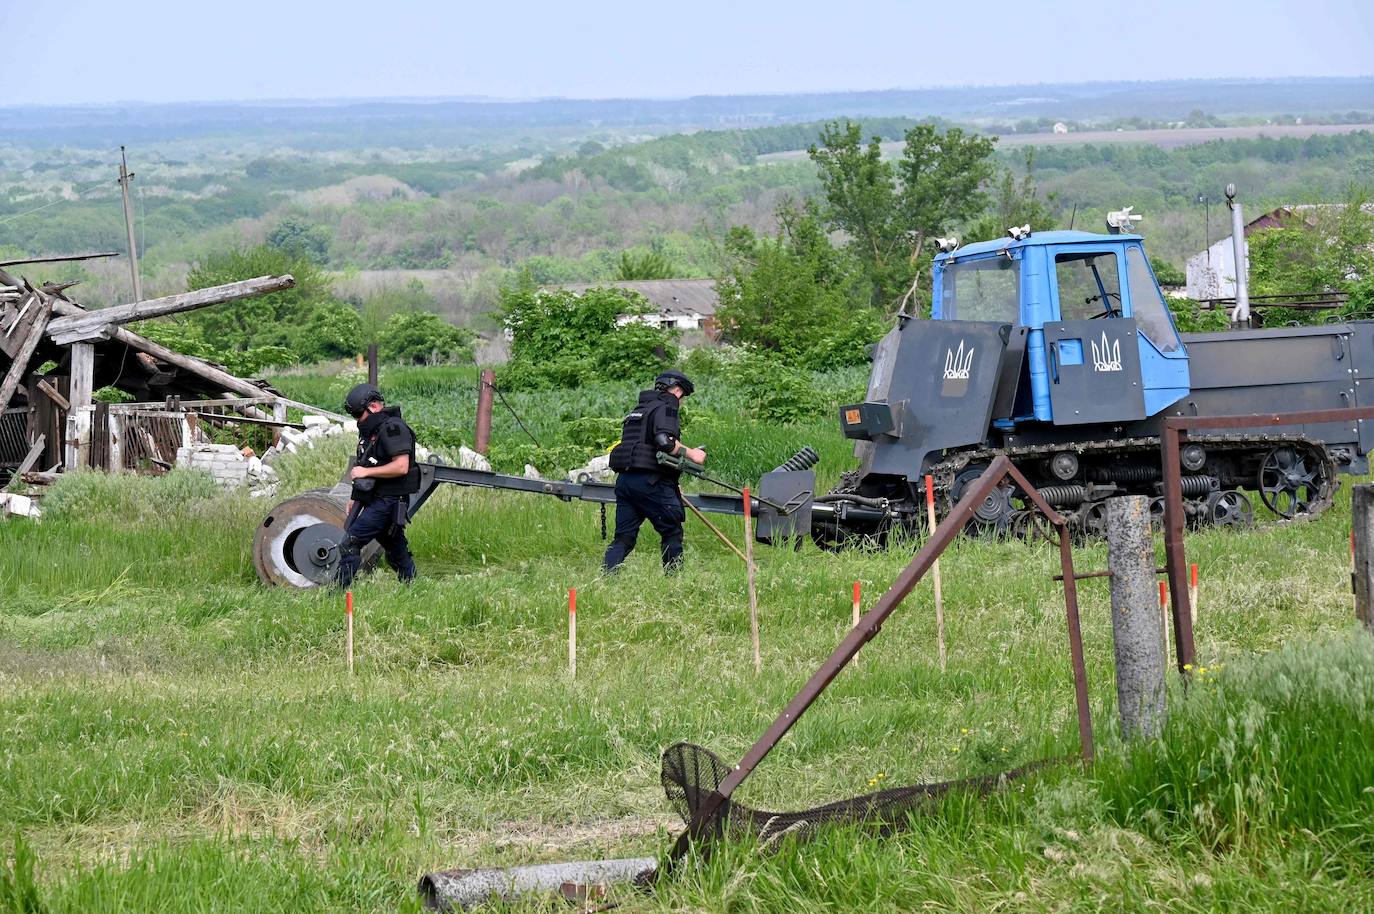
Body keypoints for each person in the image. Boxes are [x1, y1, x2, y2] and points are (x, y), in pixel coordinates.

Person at [603, 370, 707, 573]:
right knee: (672, 531)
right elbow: (664, 442)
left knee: (624, 537)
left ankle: (605, 578)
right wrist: (692, 454)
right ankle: (674, 581)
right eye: (683, 396)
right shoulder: (667, 406)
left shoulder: (640, 410)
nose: (682, 401)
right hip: (650, 482)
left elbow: (645, 445)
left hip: (625, 482)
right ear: (677, 390)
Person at [337, 382, 421, 586]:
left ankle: (338, 593)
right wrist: (354, 499)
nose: (358, 420)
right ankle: (413, 586)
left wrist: (366, 472)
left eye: (359, 414)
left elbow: (401, 466)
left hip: (389, 501)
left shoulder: (393, 428)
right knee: (395, 550)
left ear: (373, 406)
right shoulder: (371, 432)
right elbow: (365, 464)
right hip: (377, 499)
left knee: (350, 543)